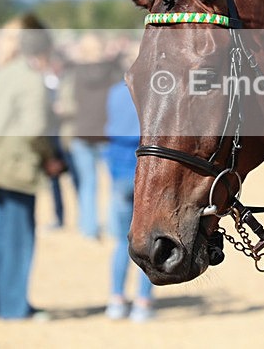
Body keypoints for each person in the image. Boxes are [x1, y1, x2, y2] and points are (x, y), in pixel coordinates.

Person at [0, 14, 65, 320]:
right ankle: (13, 306)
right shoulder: (31, 79)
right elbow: (35, 129)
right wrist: (50, 157)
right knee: (18, 237)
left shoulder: (4, 72)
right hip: (17, 164)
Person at [103, 42, 154, 322]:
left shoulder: (113, 93)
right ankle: (143, 302)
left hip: (118, 171)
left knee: (121, 241)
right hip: (142, 174)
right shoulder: (152, 93)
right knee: (147, 242)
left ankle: (116, 298)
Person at [66, 32, 122, 239]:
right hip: (107, 133)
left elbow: (70, 101)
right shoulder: (112, 71)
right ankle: (114, 228)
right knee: (112, 184)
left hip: (82, 132)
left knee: (87, 183)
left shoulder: (75, 72)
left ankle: (88, 228)